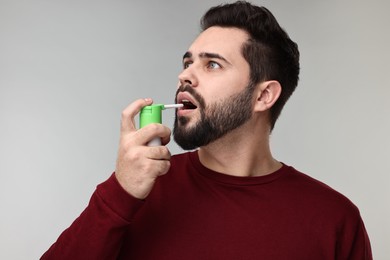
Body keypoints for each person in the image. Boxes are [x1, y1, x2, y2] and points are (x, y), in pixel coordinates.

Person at [41, 1, 372, 259]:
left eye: (212, 64)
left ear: (263, 95)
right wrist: (119, 194)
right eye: (188, 62)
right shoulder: (139, 192)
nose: (185, 76)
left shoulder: (334, 219)